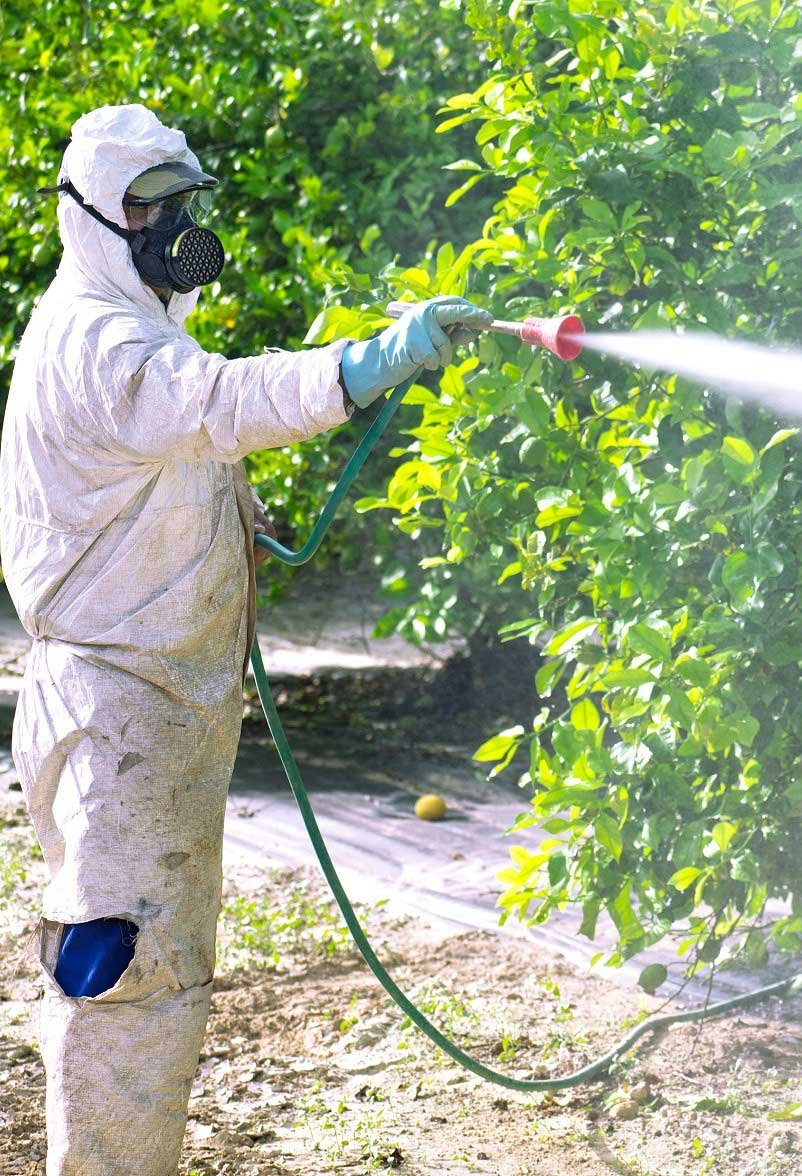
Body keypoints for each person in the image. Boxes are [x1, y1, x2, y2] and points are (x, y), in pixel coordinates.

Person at [0, 103, 492, 1176]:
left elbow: (170, 446)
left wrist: (232, 513)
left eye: (183, 204)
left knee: (141, 968)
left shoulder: (129, 322)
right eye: (150, 209)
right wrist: (372, 361)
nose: (175, 225)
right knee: (123, 977)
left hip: (146, 706)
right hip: (119, 708)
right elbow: (218, 402)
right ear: (95, 220)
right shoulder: (102, 336)